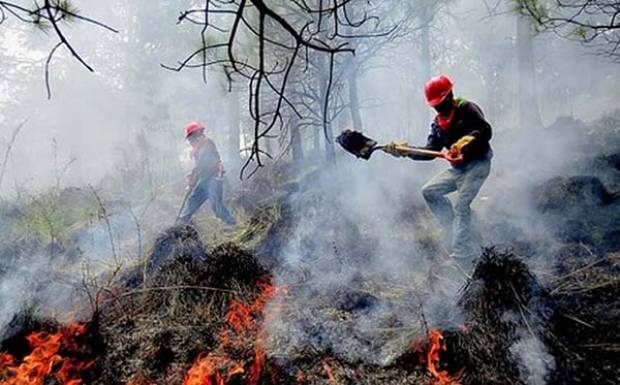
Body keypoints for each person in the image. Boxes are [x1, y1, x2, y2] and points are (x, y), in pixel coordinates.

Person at [384, 75, 492, 259]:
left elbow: (485, 130)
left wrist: (466, 141)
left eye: (440, 103)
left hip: (478, 164)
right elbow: (430, 151)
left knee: (461, 205)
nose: (438, 108)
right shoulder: (437, 124)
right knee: (429, 191)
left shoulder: (467, 108)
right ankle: (453, 227)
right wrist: (405, 151)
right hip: (458, 170)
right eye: (435, 105)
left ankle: (461, 254)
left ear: (450, 95)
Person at [177, 122, 237, 226]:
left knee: (216, 206)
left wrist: (193, 176)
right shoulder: (197, 149)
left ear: (197, 136)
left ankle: (232, 224)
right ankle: (180, 224)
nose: (190, 142)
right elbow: (199, 166)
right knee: (192, 201)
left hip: (214, 178)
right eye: (189, 140)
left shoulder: (207, 144)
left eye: (191, 139)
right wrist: (192, 176)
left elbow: (206, 164)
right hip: (204, 180)